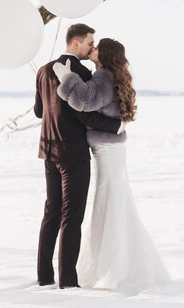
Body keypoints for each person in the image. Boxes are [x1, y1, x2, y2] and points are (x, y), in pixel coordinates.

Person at [53, 38, 170, 293]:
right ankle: (121, 262)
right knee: (116, 200)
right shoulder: (109, 76)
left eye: (96, 47)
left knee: (110, 201)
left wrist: (66, 77)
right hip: (112, 149)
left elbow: (83, 101)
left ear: (104, 54)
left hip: (107, 149)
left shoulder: (104, 77)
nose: (92, 49)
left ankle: (115, 267)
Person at [34, 24, 124, 289]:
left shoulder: (43, 70)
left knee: (51, 212)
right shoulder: (82, 72)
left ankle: (44, 277)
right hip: (72, 152)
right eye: (89, 43)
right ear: (76, 44)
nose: (91, 48)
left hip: (48, 150)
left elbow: (40, 111)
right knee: (71, 216)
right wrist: (115, 126)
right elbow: (83, 113)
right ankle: (68, 281)